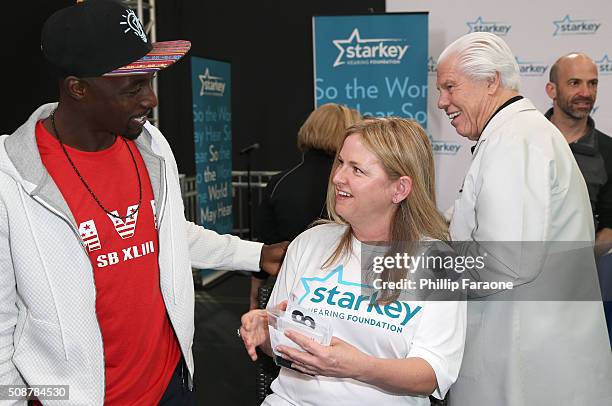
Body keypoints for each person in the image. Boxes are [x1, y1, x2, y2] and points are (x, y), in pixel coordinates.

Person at [0, 1, 286, 405]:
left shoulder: (152, 147)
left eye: (150, 81)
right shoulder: (10, 178)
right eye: (133, 87)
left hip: (171, 385)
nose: (150, 99)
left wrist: (257, 255)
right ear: (78, 88)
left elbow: (167, 234)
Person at [436, 32, 612, 405]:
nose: (441, 102)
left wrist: (407, 270)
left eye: (450, 87)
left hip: (523, 368)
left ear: (491, 82)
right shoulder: (517, 136)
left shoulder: (514, 141)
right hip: (533, 358)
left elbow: (505, 260)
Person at [240, 117, 466, 405]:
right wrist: (264, 332)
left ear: (399, 189)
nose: (337, 178)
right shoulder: (310, 243)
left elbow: (432, 374)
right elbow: (280, 345)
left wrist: (357, 367)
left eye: (357, 170)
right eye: (341, 163)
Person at [249, 103, 362, 310]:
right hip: (345, 295)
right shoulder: (356, 188)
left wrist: (254, 301)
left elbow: (266, 244)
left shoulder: (280, 182)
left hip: (288, 292)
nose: (339, 180)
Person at [545, 52, 612, 346]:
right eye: (574, 83)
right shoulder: (524, 140)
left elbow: (610, 225)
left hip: (587, 285)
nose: (586, 93)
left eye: (592, 83)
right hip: (522, 286)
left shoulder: (609, 150)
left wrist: (575, 257)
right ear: (552, 90)